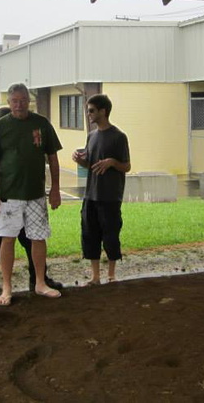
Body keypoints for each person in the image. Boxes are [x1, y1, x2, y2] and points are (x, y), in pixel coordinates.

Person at [0, 83, 63, 306]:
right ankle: (7, 287)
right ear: (8, 103)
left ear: (29, 101)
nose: (19, 105)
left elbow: (53, 158)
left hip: (36, 194)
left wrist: (55, 189)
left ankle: (39, 282)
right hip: (8, 195)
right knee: (7, 240)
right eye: (15, 101)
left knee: (39, 237)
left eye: (23, 100)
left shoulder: (41, 124)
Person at [73, 94, 130, 285]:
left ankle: (111, 275)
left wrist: (112, 162)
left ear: (103, 111)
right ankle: (95, 276)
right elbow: (91, 164)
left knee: (111, 235)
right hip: (91, 195)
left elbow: (126, 166)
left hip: (110, 196)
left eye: (91, 110)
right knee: (90, 235)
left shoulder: (119, 137)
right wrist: (79, 160)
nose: (88, 114)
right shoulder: (91, 136)